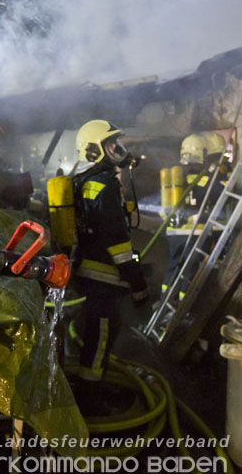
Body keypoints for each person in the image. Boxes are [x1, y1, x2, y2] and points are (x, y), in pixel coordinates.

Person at [70, 119, 148, 383]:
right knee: (100, 337)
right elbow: (118, 244)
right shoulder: (104, 185)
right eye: (111, 144)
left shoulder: (85, 181)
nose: (118, 149)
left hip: (89, 276)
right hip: (102, 280)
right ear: (94, 150)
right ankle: (91, 399)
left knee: (94, 336)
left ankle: (89, 389)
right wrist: (138, 285)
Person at [161, 131, 228, 296]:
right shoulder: (209, 180)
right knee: (192, 268)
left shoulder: (177, 179)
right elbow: (223, 199)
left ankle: (165, 299)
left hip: (175, 232)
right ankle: (184, 306)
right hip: (196, 232)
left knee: (174, 265)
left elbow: (164, 208)